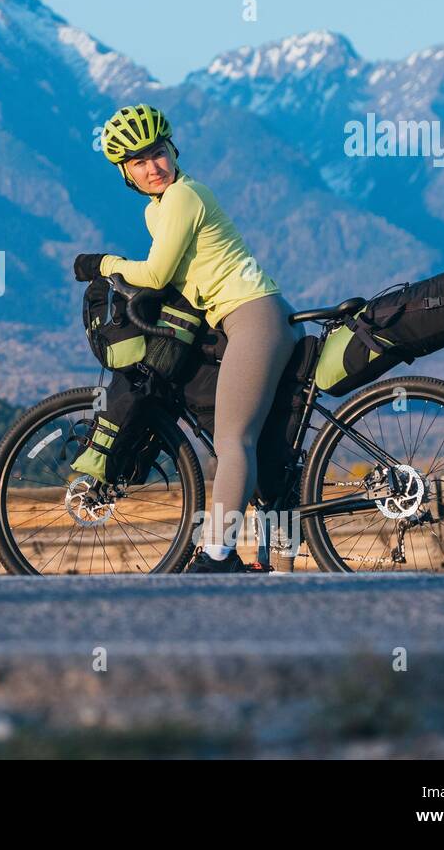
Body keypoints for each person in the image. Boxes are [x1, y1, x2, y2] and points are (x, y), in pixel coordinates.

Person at [72, 104, 300, 573]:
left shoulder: (182, 197)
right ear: (125, 173)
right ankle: (263, 550)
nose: (153, 168)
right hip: (239, 319)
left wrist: (102, 265)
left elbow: (155, 274)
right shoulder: (161, 208)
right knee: (248, 436)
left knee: (235, 438)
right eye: (138, 162)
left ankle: (217, 555)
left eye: (157, 153)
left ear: (173, 149)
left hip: (252, 317)